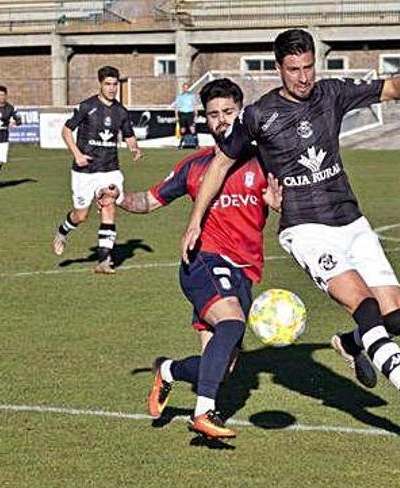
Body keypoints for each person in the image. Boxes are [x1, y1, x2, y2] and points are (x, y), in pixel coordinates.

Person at [179, 28, 400, 433]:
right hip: (306, 229)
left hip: (351, 221)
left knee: (395, 318)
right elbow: (221, 164)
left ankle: (350, 344)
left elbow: (388, 88)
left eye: (308, 67)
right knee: (363, 306)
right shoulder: (259, 115)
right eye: (293, 69)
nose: (303, 77)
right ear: (279, 69)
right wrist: (194, 222)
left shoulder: (332, 93)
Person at [98, 78, 281, 439]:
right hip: (203, 263)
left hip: (244, 271)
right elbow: (150, 200)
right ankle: (204, 413)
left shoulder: (263, 163)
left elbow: (291, 207)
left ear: (241, 113)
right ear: (204, 120)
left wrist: (279, 207)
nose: (222, 120)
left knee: (222, 368)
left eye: (229, 112)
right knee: (231, 324)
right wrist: (118, 199)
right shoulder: (194, 166)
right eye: (213, 115)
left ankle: (168, 371)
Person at [51, 66, 142, 274]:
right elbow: (66, 131)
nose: (112, 89)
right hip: (84, 171)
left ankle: (104, 260)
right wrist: (77, 155)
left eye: (115, 84)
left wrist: (134, 148)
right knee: (81, 215)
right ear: (100, 84)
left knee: (109, 202)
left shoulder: (121, 111)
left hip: (109, 169)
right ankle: (62, 231)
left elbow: (128, 134)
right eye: (108, 84)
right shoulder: (87, 107)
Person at [173, 82, 197, 149]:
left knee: (192, 129)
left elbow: (195, 106)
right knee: (183, 129)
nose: (185, 89)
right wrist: (176, 116)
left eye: (187, 88)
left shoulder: (191, 96)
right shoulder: (179, 97)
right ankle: (180, 145)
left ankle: (196, 144)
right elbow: (177, 107)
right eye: (184, 88)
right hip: (182, 114)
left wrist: (195, 115)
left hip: (190, 113)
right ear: (182, 88)